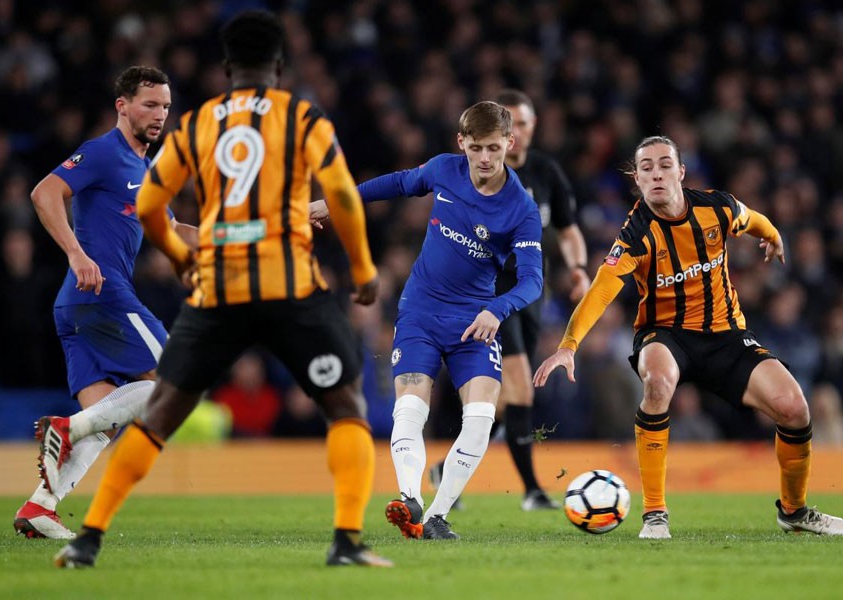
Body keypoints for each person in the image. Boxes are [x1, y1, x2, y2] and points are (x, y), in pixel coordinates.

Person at [54, 10, 390, 568]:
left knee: (161, 412)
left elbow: (151, 208)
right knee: (345, 405)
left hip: (218, 291)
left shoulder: (198, 125)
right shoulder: (303, 117)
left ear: (227, 67)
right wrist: (362, 269)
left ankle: (88, 537)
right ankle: (347, 542)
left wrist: (185, 261)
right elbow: (344, 198)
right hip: (292, 287)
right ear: (280, 66)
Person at [533, 135, 843, 538]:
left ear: (681, 172)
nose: (656, 173)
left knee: (795, 409)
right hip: (665, 334)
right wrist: (568, 346)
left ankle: (794, 511)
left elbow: (751, 218)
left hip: (726, 335)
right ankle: (654, 514)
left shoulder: (714, 207)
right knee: (657, 379)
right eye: (646, 167)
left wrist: (772, 234)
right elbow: (601, 290)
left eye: (664, 164)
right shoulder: (636, 233)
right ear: (637, 179)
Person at [315, 101, 544, 539]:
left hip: (474, 322)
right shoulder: (443, 169)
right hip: (419, 312)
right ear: (462, 143)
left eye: (494, 148)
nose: (484, 158)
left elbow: (533, 282)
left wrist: (495, 310)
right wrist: (333, 204)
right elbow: (398, 183)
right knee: (410, 409)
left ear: (509, 144)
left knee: (479, 417)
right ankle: (409, 498)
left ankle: (437, 516)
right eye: (475, 147)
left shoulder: (521, 210)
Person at [14, 66, 198, 540]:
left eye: (165, 107)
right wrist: (76, 253)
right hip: (101, 293)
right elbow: (44, 192)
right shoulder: (102, 152)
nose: (159, 115)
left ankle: (40, 507)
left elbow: (174, 232)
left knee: (104, 423)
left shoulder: (145, 169)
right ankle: (65, 428)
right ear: (123, 105)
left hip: (77, 307)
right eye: (149, 104)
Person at [428, 89, 590, 511]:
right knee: (520, 389)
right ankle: (533, 490)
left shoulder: (547, 172)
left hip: (530, 294)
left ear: (528, 131)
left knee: (505, 400)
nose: (516, 131)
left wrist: (577, 268)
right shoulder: (477, 176)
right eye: (509, 123)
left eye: (523, 124)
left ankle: (448, 469)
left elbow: (569, 229)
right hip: (490, 292)